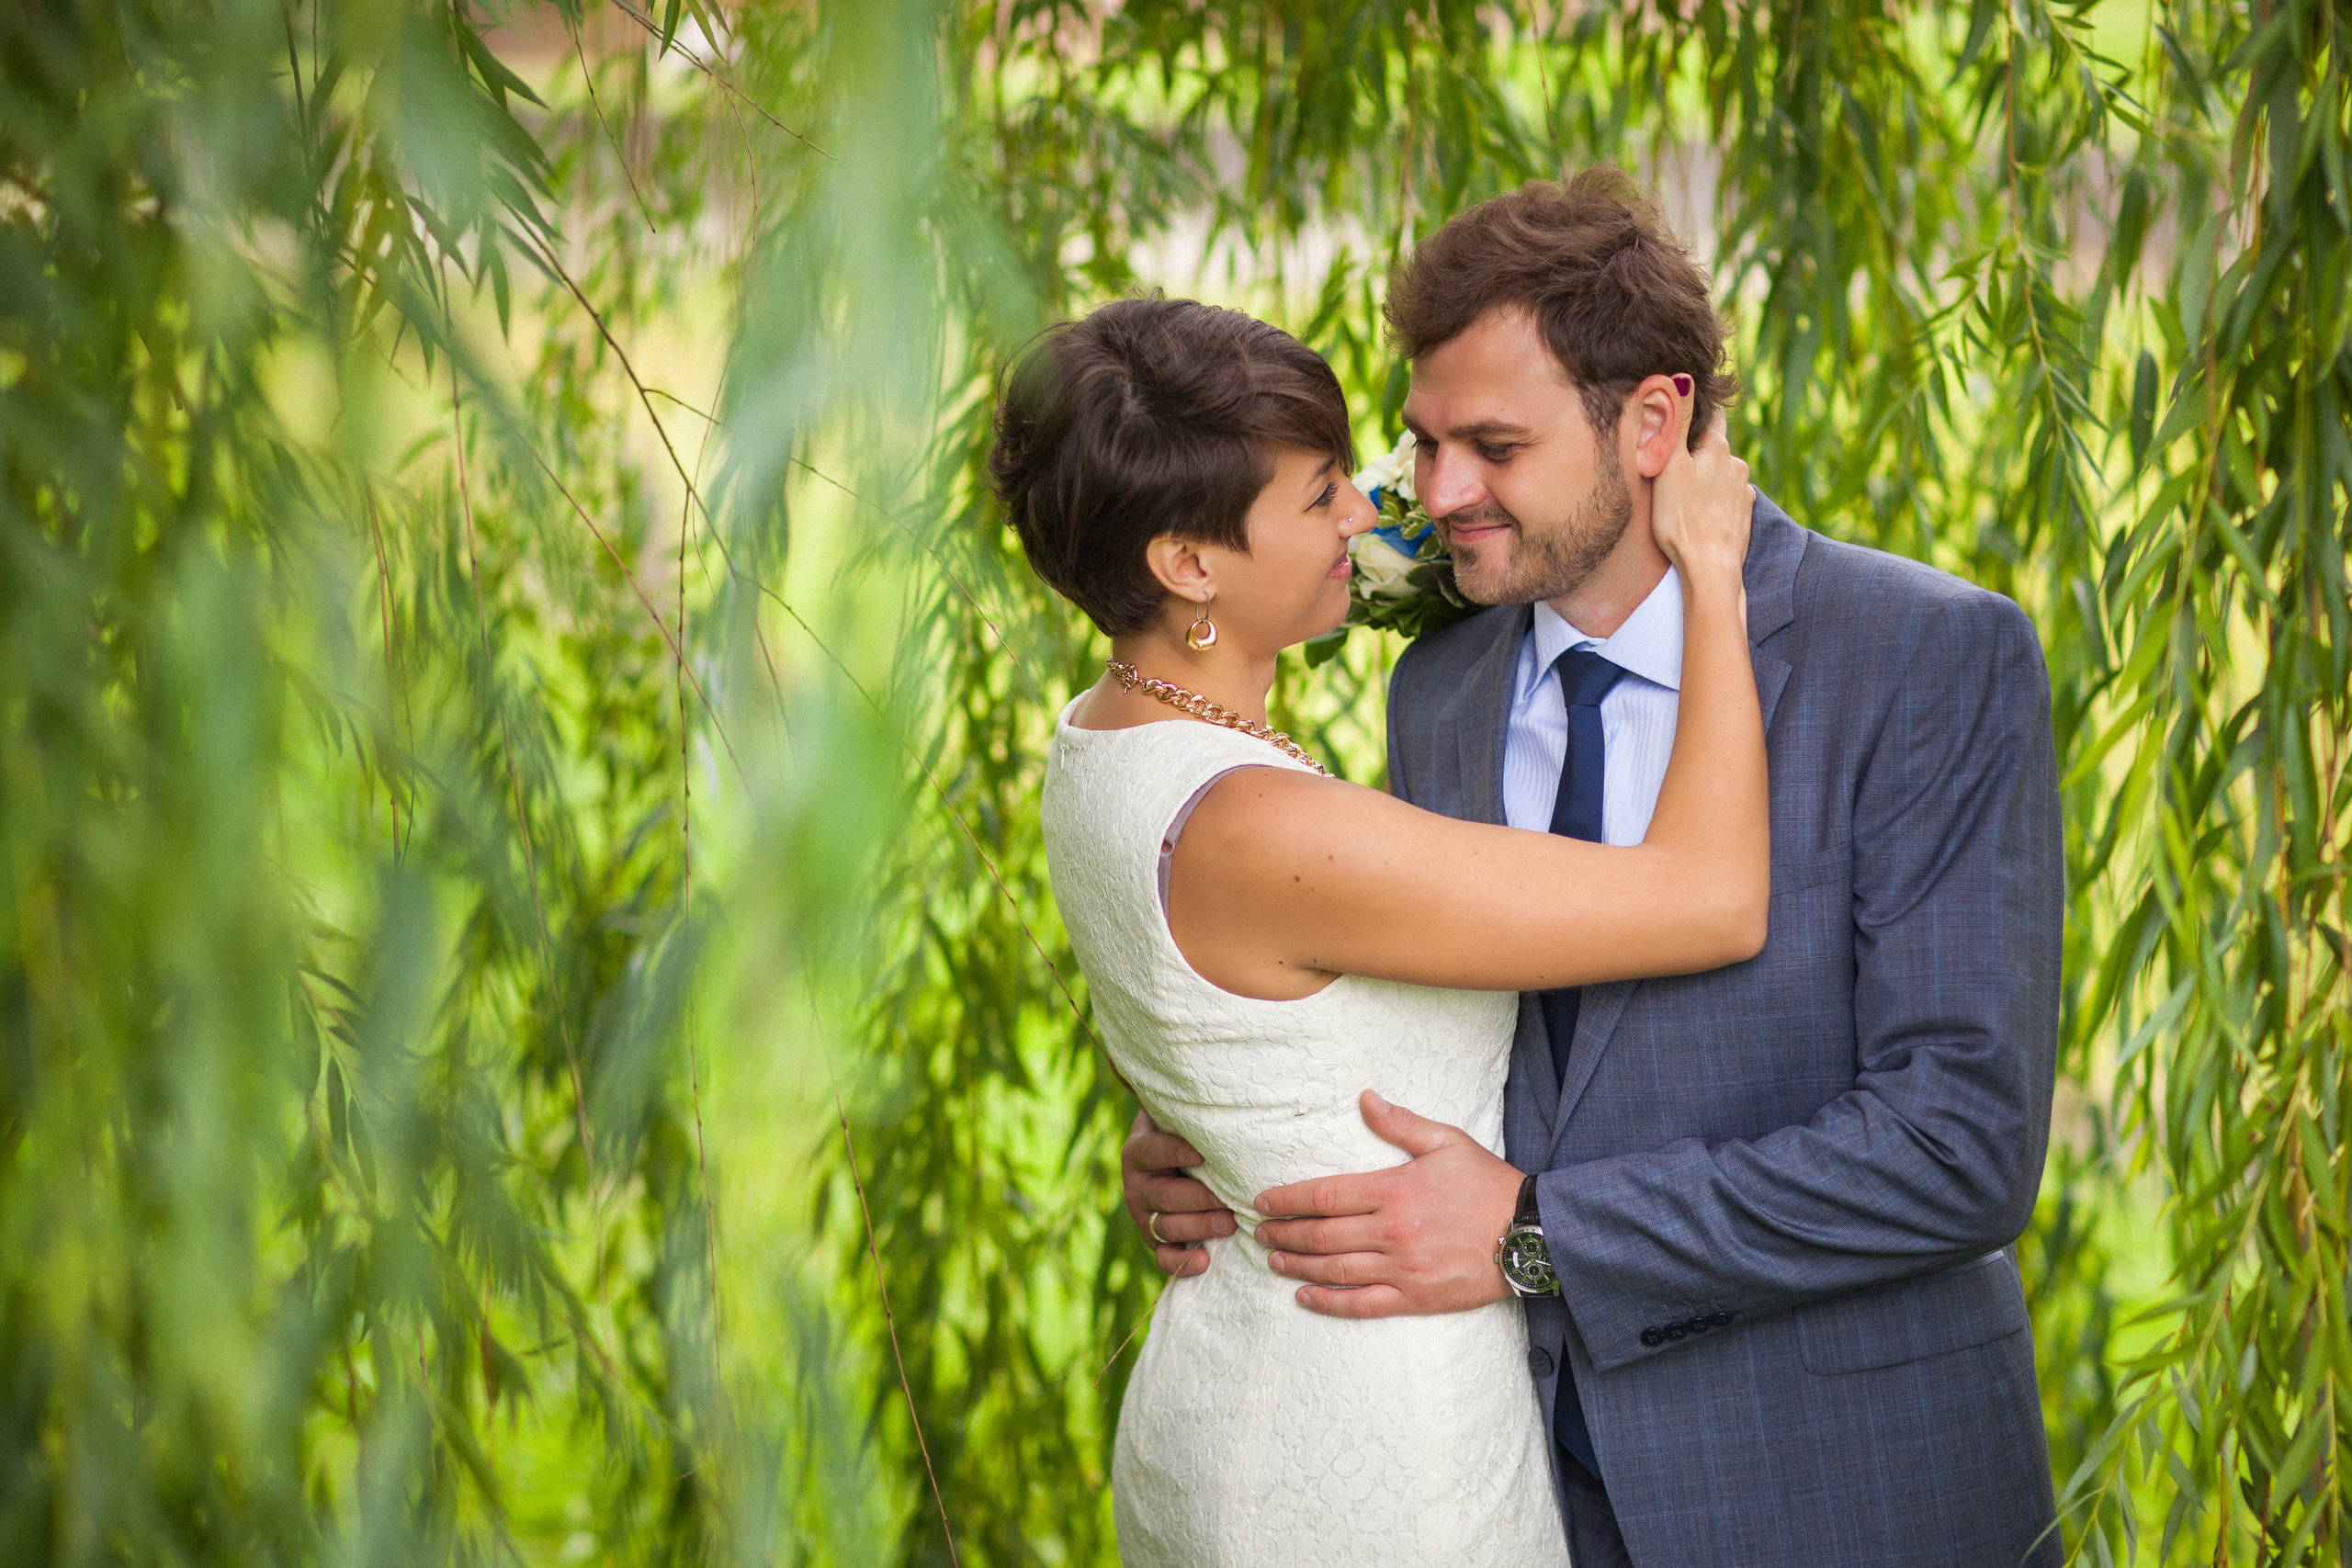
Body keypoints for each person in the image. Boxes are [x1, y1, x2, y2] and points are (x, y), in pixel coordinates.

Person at [1122, 170, 2065, 1567]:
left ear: (1653, 421)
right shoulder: (1440, 690)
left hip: (1849, 1494)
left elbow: (1957, 1146)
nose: (1437, 494)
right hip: (1527, 1498)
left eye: (1494, 446)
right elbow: (1454, 1024)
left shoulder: (1925, 659)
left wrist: (1539, 1235)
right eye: (1425, 441)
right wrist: (1242, 1138)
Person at [991, 293, 1760, 1566]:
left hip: (1258, 1367)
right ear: (1190, 565)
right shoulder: (1261, 827)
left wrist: (1221, 1132)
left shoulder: (1105, 740)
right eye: (1318, 497)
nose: (1372, 513)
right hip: (1362, 1446)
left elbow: (1227, 1018)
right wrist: (1715, 576)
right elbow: (1709, 897)